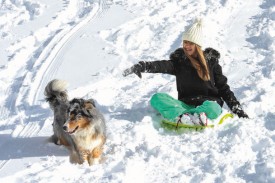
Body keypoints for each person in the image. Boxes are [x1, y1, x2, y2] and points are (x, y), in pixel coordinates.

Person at [122, 19, 248, 126]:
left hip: (208, 104)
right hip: (185, 105)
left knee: (213, 107)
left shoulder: (212, 63)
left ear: (197, 45)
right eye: (185, 42)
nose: (186, 46)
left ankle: (191, 116)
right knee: (157, 98)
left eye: (190, 43)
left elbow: (223, 88)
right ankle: (187, 117)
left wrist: (237, 109)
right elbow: (161, 65)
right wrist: (142, 66)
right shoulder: (180, 62)